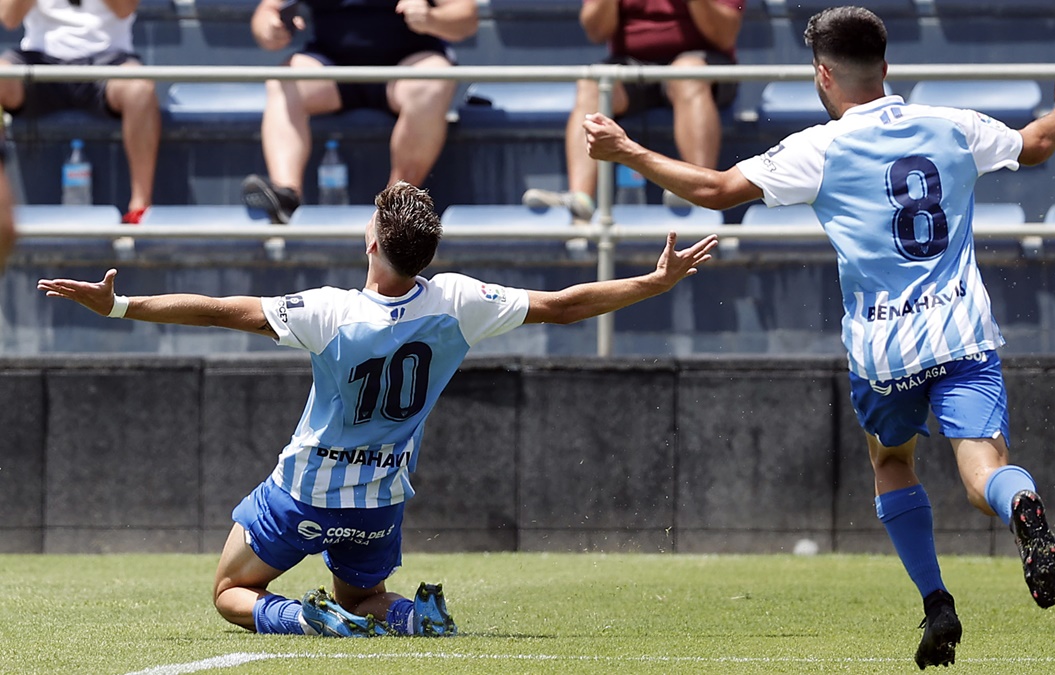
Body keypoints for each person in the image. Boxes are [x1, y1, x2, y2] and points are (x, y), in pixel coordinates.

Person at [584, 5, 1055, 669]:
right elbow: (1038, 143)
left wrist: (625, 151)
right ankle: (1020, 500)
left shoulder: (819, 148)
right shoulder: (954, 126)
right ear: (886, 67)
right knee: (982, 467)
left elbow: (714, 188)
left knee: (891, 460)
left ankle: (936, 599)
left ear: (823, 75)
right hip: (962, 335)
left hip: (883, 351)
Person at [38, 180, 718, 638]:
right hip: (379, 498)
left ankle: (307, 622)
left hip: (303, 492)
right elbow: (564, 306)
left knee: (225, 591)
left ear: (372, 243)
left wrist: (120, 304)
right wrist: (653, 282)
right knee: (365, 595)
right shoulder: (456, 301)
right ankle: (414, 615)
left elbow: (219, 311)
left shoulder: (330, 312)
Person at [241, 0, 478, 224]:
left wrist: (432, 18)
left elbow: (466, 16)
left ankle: (395, 206)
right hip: (331, 65)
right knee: (283, 82)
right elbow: (267, 11)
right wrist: (270, 29)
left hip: (409, 63)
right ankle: (286, 197)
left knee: (432, 80)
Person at [521, 0, 744, 223]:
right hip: (632, 65)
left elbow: (723, 35)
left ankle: (700, 194)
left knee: (687, 74)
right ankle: (580, 204)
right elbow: (596, 31)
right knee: (592, 82)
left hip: (701, 62)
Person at [0, 0, 160, 224]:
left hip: (109, 58)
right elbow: (9, 18)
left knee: (140, 91)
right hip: (38, 58)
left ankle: (140, 207)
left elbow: (124, 9)